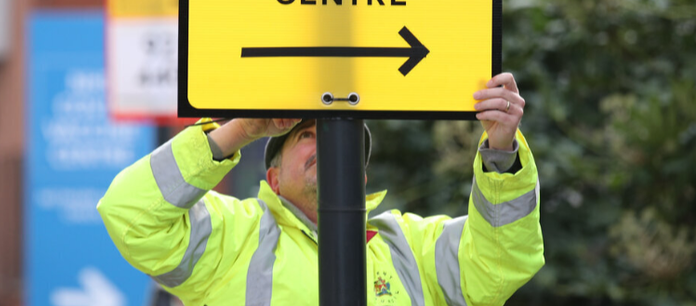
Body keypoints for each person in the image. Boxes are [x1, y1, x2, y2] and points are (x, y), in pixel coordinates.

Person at [97, 73, 544, 306]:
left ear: (362, 179)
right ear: (273, 178)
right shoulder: (234, 235)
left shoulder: (408, 245)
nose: (327, 145)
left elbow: (500, 266)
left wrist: (500, 148)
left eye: (343, 140)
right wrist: (239, 130)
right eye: (307, 134)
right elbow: (129, 215)